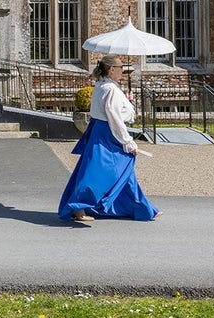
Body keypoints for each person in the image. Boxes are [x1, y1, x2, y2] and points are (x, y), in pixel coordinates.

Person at [58, 55, 159, 223]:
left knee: (122, 171)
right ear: (112, 69)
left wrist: (126, 102)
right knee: (97, 171)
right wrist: (127, 141)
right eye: (120, 68)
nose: (123, 72)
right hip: (107, 134)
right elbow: (114, 117)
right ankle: (78, 206)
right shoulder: (110, 89)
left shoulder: (103, 85)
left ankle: (141, 207)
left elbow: (114, 111)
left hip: (102, 131)